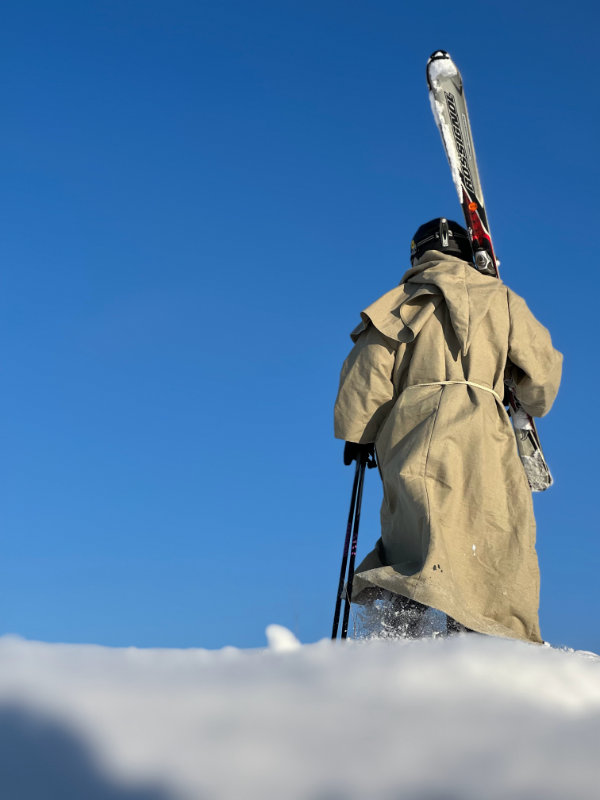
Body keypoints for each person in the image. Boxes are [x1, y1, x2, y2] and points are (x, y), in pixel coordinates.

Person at [334, 218, 562, 642]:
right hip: (484, 436)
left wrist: (358, 434)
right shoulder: (503, 300)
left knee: (415, 541)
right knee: (487, 540)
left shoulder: (399, 301)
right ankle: (484, 642)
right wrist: (517, 390)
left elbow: (368, 370)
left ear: (417, 255)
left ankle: (403, 638)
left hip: (411, 434)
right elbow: (543, 379)